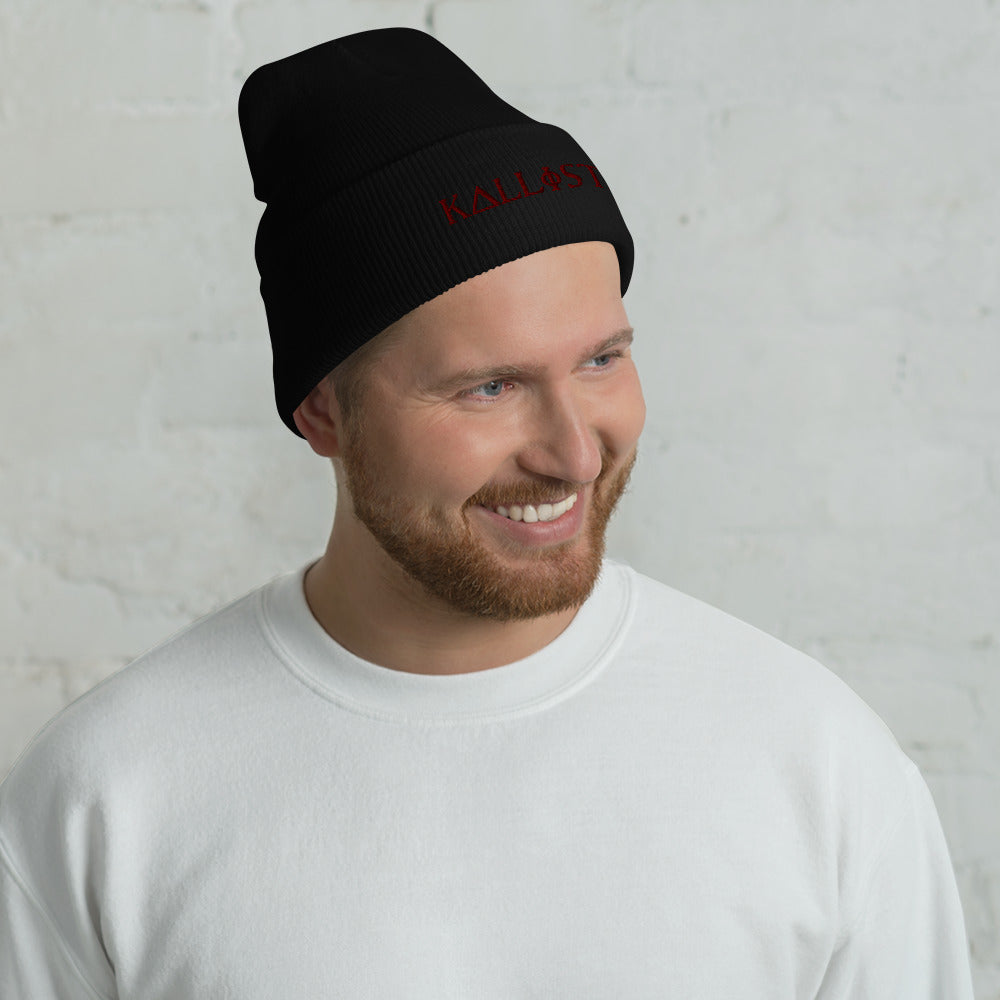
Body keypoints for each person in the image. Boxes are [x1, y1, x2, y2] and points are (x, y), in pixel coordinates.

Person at [0, 27, 975, 998]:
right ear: (322, 411)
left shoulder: (817, 763)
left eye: (602, 359)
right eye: (489, 387)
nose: (575, 453)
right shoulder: (106, 799)